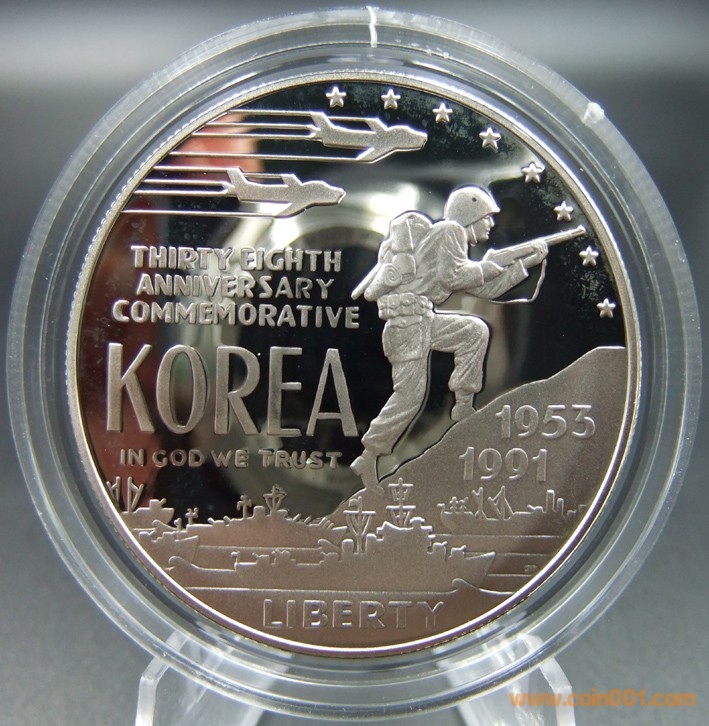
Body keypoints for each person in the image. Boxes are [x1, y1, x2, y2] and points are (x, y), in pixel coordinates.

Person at [351, 185, 548, 488]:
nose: (491, 224)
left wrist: (521, 266)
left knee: (474, 331)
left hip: (421, 320)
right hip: (407, 324)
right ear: (470, 215)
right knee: (409, 397)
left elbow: (483, 289)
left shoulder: (450, 241)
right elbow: (455, 276)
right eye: (486, 217)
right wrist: (489, 265)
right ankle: (369, 455)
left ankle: (463, 405)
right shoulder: (450, 231)